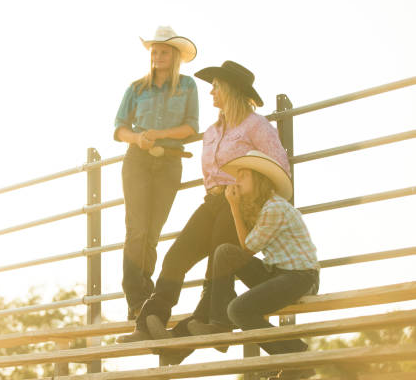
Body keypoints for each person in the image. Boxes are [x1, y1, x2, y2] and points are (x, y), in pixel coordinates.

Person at [118, 61, 290, 358]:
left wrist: (249, 197)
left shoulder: (256, 126)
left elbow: (279, 167)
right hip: (211, 200)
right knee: (176, 257)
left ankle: (209, 323)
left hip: (240, 202)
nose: (211, 92)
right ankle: (150, 320)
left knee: (217, 262)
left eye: (216, 86)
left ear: (230, 91)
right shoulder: (212, 131)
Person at [186, 150, 320, 380]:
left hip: (301, 277)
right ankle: (219, 322)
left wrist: (234, 207)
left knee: (238, 310)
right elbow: (243, 247)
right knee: (224, 253)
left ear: (258, 179)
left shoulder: (274, 208)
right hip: (278, 273)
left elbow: (248, 247)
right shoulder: (264, 209)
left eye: (243, 176)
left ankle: (297, 354)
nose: (236, 181)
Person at [114, 26, 199, 321]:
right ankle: (136, 297)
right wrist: (138, 139)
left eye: (163, 52)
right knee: (136, 229)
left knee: (152, 233)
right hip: (137, 159)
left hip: (170, 161)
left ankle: (144, 295)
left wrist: (159, 133)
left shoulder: (187, 86)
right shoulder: (136, 88)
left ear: (174, 55)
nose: (158, 56)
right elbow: (120, 128)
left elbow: (191, 127)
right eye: (154, 52)